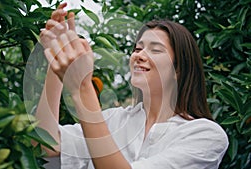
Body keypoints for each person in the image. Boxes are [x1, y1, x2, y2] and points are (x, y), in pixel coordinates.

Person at [35, 3, 229, 169]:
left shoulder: (205, 135)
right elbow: (46, 145)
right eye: (138, 48)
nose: (139, 55)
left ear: (178, 69)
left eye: (155, 49)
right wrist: (58, 61)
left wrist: (82, 87)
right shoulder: (113, 120)